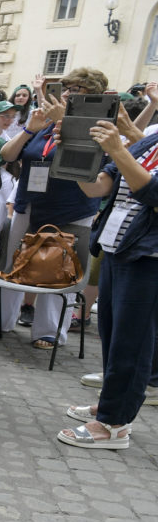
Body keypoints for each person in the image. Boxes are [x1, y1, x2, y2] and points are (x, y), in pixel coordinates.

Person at [0, 67, 107, 348]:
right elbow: (8, 154)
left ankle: (49, 330)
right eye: (67, 89)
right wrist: (29, 130)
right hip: (30, 203)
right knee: (14, 264)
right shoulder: (46, 122)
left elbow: (84, 162)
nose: (68, 95)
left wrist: (67, 125)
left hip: (70, 209)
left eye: (77, 91)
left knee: (58, 270)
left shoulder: (96, 127)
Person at [58, 125, 158, 449]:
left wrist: (118, 149)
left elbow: (154, 195)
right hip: (120, 247)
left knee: (134, 342)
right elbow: (96, 187)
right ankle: (110, 404)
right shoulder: (152, 139)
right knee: (113, 334)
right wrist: (74, 151)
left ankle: (114, 425)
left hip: (150, 258)